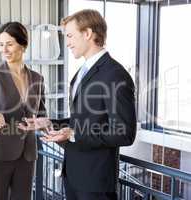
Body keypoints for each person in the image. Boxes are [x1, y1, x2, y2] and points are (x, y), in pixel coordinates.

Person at [24, 9, 137, 200]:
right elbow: (80, 120)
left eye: (70, 36)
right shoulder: (81, 73)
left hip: (95, 182)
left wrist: (74, 134)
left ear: (87, 33)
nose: (67, 43)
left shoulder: (115, 75)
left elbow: (124, 133)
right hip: (73, 175)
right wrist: (50, 123)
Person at [0, 21, 48, 200]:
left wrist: (41, 124)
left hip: (27, 154)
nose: (4, 49)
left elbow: (41, 114)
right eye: (1, 44)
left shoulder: (37, 79)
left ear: (23, 45)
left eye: (9, 44)